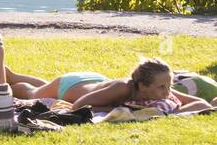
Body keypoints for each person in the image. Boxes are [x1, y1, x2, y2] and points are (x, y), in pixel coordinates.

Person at [68, 58, 213, 113]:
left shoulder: (161, 90)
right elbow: (77, 107)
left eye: (169, 85)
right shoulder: (123, 88)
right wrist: (121, 109)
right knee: (44, 91)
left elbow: (201, 104)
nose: (167, 91)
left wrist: (171, 113)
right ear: (143, 86)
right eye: (162, 87)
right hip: (71, 85)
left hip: (99, 80)